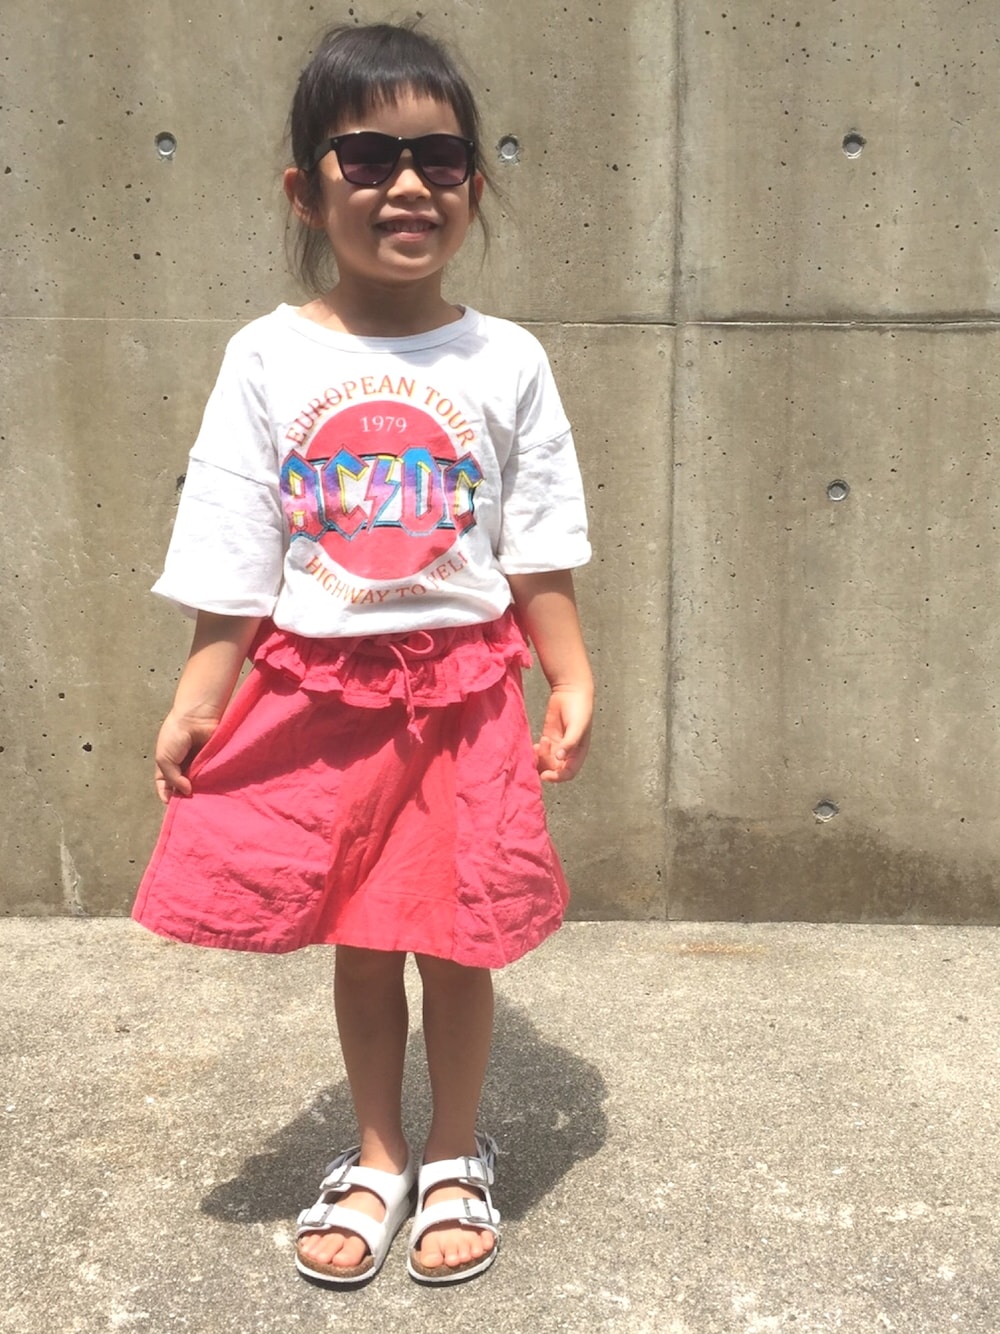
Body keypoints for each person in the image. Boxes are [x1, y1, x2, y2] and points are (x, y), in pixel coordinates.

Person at [132, 20, 593, 1289]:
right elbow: (236, 535)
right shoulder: (268, 355)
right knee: (364, 931)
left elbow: (538, 534)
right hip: (323, 693)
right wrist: (199, 693)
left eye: (438, 158)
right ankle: (380, 1146)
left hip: (466, 692)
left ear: (473, 186)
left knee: (458, 932)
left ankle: (453, 1148)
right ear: (306, 188)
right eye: (368, 156)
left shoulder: (505, 357)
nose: (406, 184)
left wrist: (570, 672)